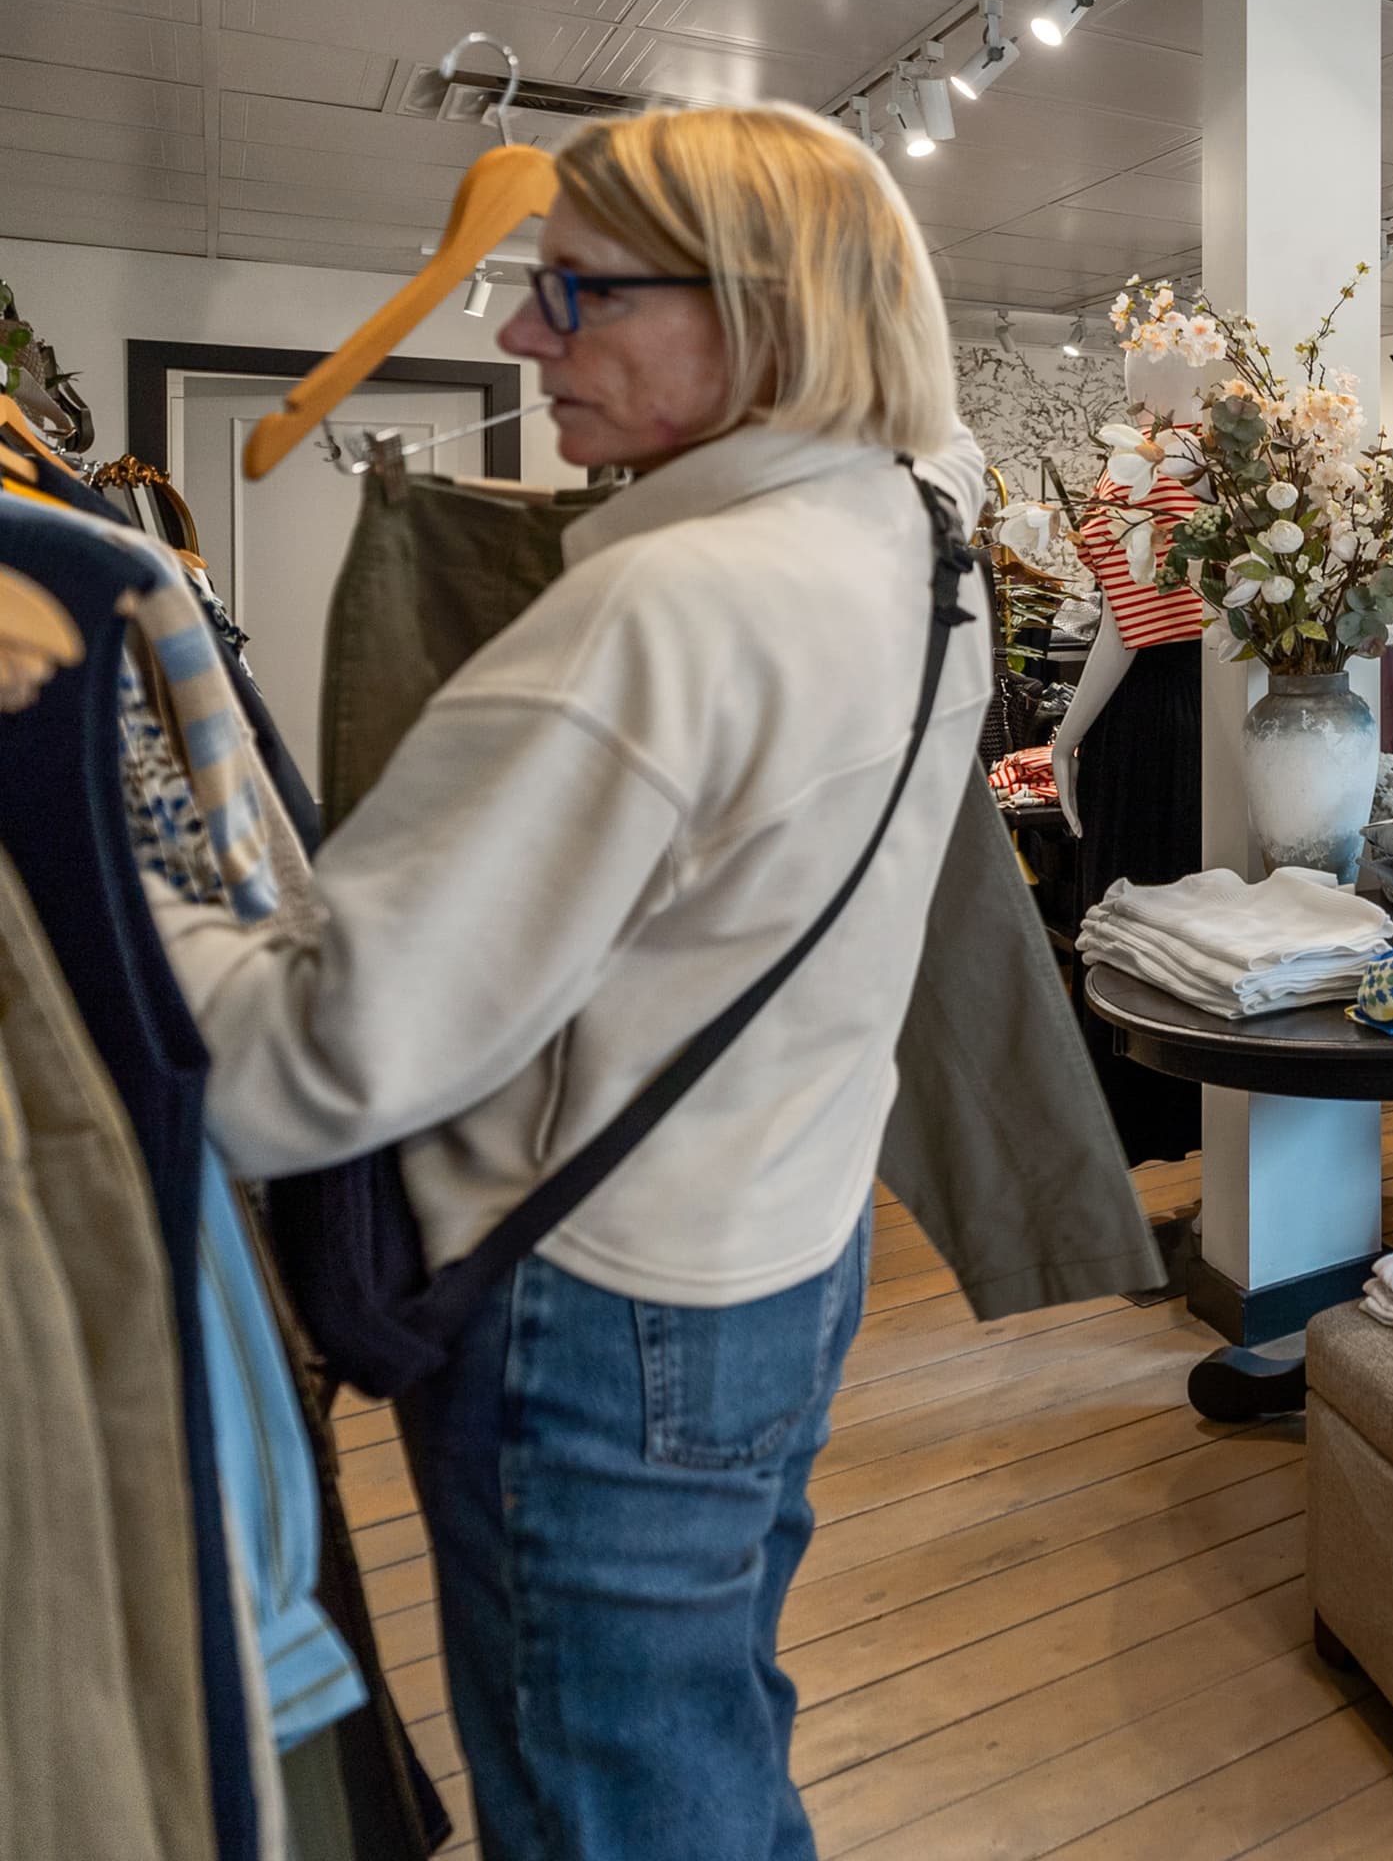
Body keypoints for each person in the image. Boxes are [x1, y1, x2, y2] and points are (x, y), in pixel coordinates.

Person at [151, 105, 988, 1859]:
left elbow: (306, 1057)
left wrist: (110, 895)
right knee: (707, 1742)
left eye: (578, 293)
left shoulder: (659, 621)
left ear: (755, 312)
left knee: (618, 1809)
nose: (524, 341)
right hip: (787, 1245)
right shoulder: (928, 544)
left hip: (605, 1322)